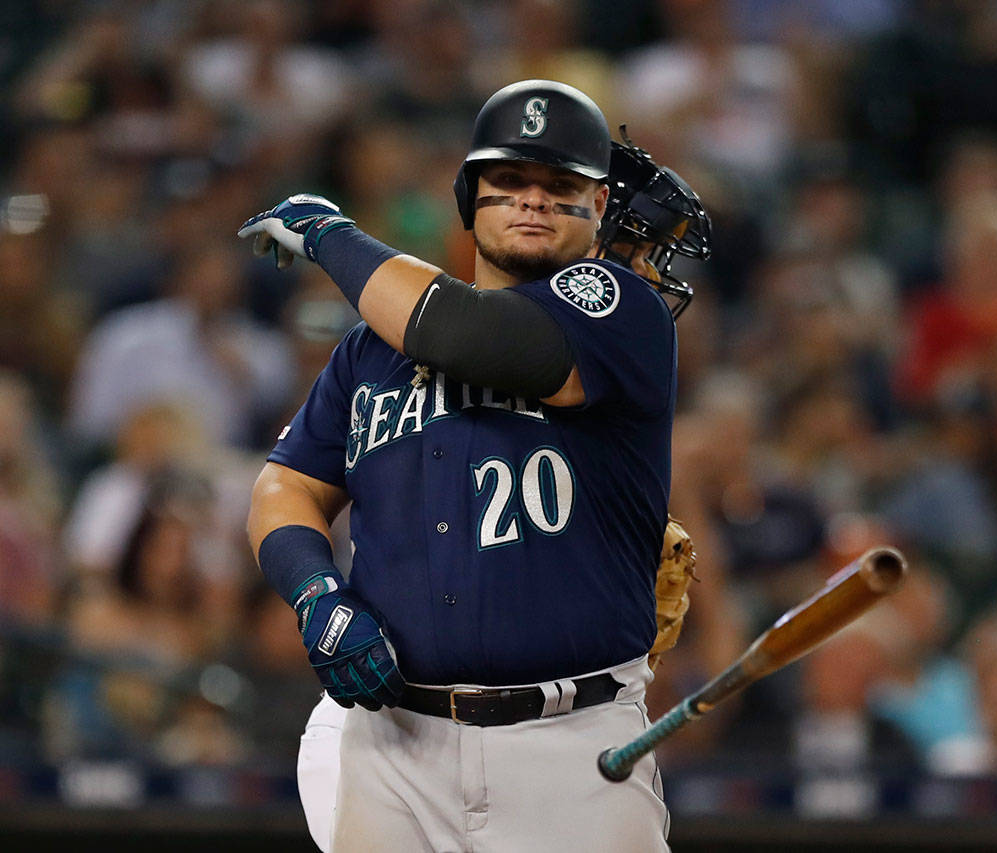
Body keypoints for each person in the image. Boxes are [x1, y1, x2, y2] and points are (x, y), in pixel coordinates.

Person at [240, 79, 709, 852]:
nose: (534, 200)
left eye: (561, 186)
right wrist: (316, 594)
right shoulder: (370, 350)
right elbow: (284, 483)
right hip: (389, 744)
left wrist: (329, 234)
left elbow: (466, 335)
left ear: (598, 207)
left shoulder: (619, 306)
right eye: (510, 180)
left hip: (569, 744)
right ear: (470, 198)